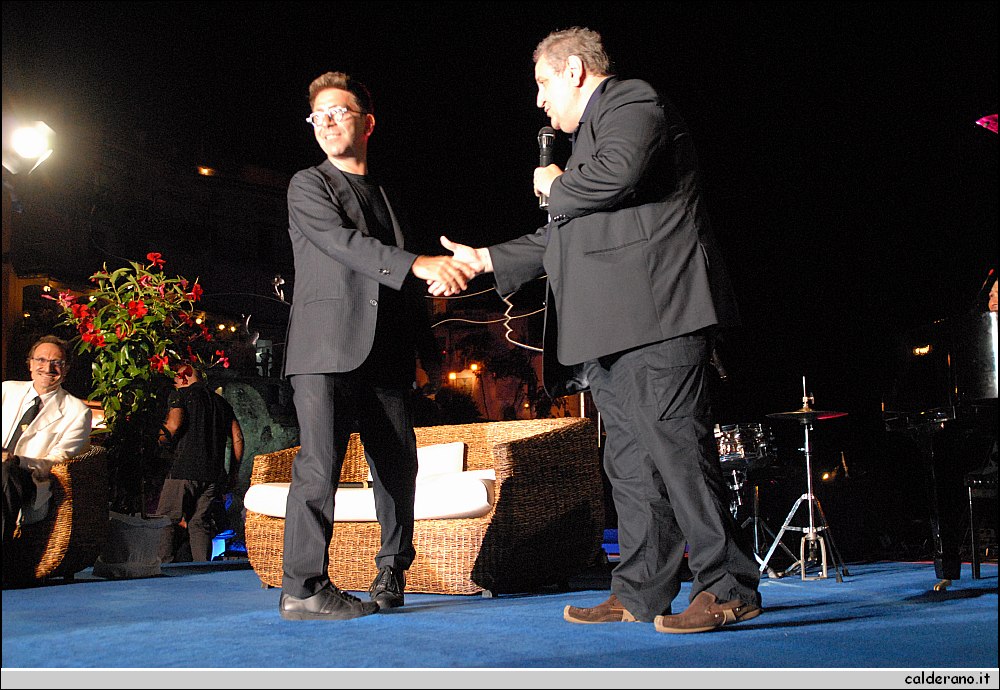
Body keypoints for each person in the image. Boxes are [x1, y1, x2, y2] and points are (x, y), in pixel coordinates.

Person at [435, 28, 761, 634]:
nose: (539, 100)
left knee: (679, 454)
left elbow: (619, 173)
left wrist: (556, 185)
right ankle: (639, 591)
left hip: (659, 316)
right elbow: (565, 235)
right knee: (630, 467)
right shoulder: (589, 142)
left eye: (543, 82)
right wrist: (485, 258)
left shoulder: (633, 101)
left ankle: (727, 587)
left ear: (576, 71)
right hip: (610, 331)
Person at [278, 71, 472, 621]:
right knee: (319, 465)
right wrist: (420, 263)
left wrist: (428, 356)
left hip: (386, 353)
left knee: (397, 467)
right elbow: (346, 245)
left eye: (338, 111)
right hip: (324, 350)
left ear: (368, 123)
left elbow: (403, 286)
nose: (327, 122)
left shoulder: (389, 196)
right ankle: (304, 588)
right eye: (318, 115)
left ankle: (391, 571)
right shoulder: (308, 186)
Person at [2, 335, 92, 543]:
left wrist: (17, 460)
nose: (47, 368)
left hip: (28, 478)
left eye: (56, 362)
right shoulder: (6, 390)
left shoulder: (77, 412)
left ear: (66, 368)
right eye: (41, 360)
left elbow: (57, 460)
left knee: (6, 471)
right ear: (30, 364)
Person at [157, 366, 243, 563]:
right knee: (200, 523)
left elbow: (174, 424)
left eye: (176, 379)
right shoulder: (221, 402)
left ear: (185, 377)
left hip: (183, 470)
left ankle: (164, 566)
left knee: (167, 520)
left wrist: (159, 441)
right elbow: (238, 438)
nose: (175, 383)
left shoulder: (180, 395)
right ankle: (202, 567)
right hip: (213, 474)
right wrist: (233, 473)